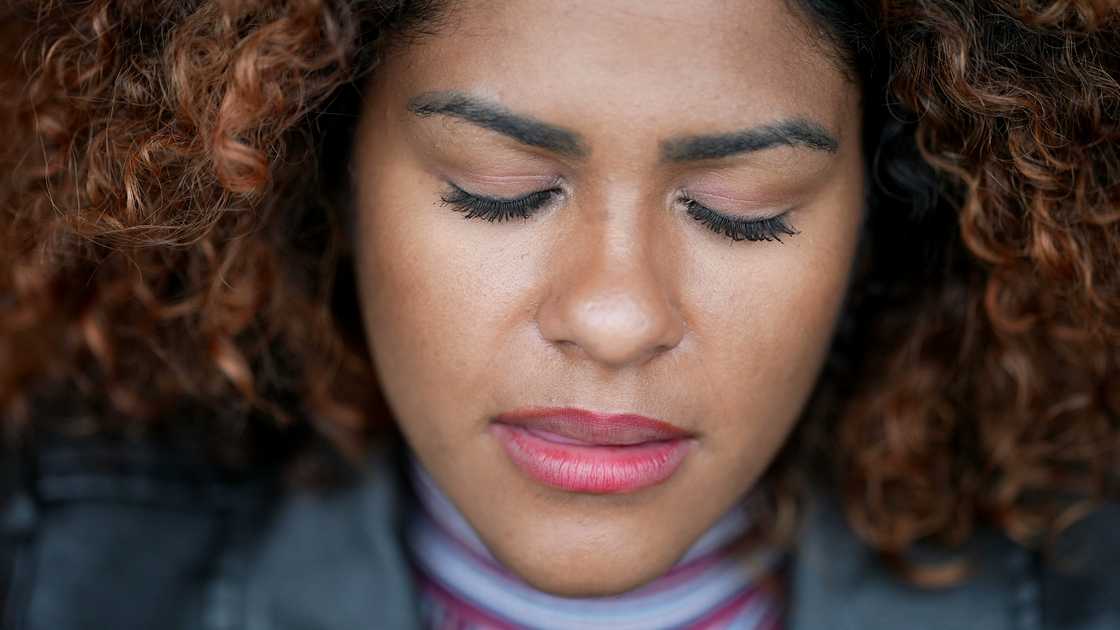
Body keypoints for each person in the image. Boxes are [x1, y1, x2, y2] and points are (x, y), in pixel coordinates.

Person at [0, 0, 1117, 628]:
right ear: (318, 167)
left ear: (886, 206)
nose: (616, 317)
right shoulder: (48, 573)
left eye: (743, 208)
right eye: (499, 189)